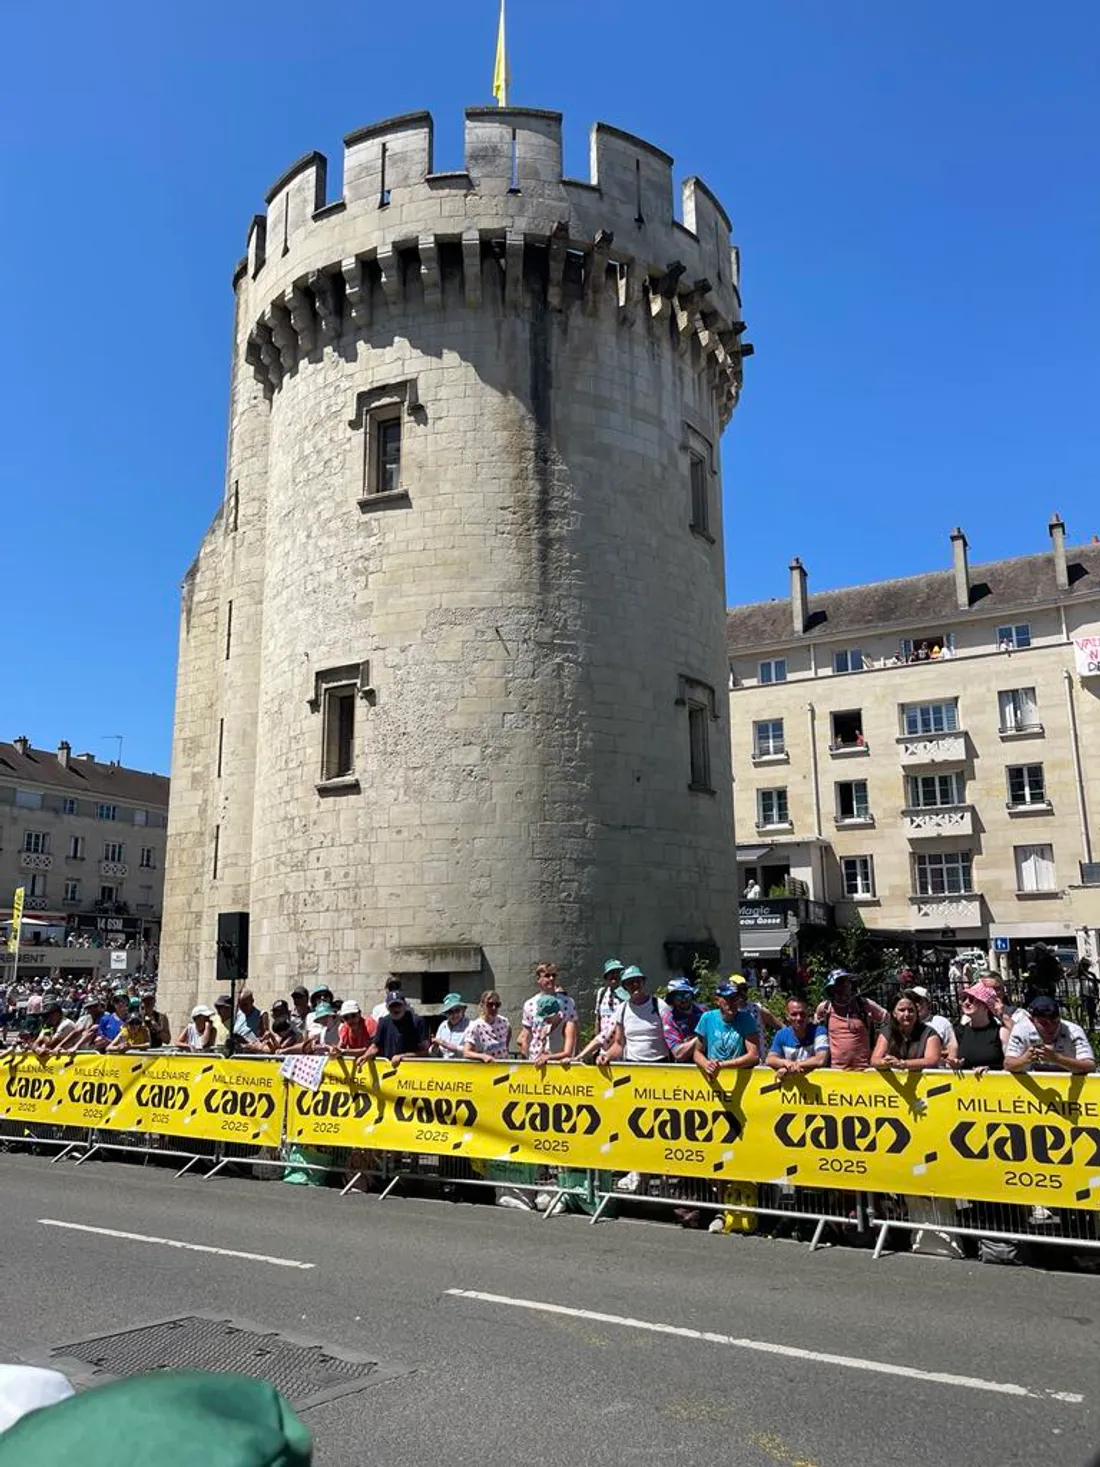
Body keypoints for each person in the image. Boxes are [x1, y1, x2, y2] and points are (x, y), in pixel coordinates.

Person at [815, 969, 887, 1071]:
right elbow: (818, 1035)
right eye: (839, 984)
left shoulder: (864, 1004)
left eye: (846, 983)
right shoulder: (825, 1008)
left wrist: (880, 1047)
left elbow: (889, 1021)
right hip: (836, 1072)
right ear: (831, 989)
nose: (843, 988)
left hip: (865, 1071)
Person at [1004, 995, 1096, 1074]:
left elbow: (1090, 1065)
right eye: (1043, 1023)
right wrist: (1023, 1060)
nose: (1051, 1027)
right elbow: (1008, 1064)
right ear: (1032, 1020)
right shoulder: (1021, 1030)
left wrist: (1057, 1058)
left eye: (1055, 1021)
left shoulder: (1073, 1031)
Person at [598, 966, 670, 1064]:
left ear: (643, 982)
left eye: (637, 981)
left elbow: (671, 1037)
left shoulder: (659, 1005)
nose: (634, 985)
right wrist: (606, 1056)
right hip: (633, 1065)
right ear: (625, 987)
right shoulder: (622, 1009)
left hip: (659, 1064)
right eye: (630, 983)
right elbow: (619, 1044)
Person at [692, 981, 760, 1077]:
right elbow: (697, 1052)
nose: (733, 1002)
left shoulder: (747, 1019)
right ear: (717, 1000)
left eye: (735, 998)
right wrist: (707, 1065)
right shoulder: (707, 1018)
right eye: (728, 998)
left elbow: (754, 1056)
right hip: (713, 1078)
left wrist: (722, 1065)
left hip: (739, 1075)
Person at [871, 990, 942, 1071]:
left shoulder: (929, 1033)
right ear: (894, 1013)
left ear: (916, 1012)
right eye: (902, 1010)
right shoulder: (887, 1031)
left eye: (911, 1010)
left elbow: (932, 1060)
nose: (907, 1014)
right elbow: (874, 1060)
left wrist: (904, 1064)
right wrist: (886, 1062)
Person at [945, 983, 1008, 1073]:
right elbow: (950, 1062)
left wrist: (991, 1070)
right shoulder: (959, 1031)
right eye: (964, 999)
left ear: (986, 1006)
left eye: (971, 999)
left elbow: (1010, 1064)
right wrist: (955, 1064)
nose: (966, 1002)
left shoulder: (1000, 1032)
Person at [518, 964, 577, 1060]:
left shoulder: (568, 1002)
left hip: (558, 1058)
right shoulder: (530, 1004)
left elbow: (574, 1031)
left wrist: (575, 1056)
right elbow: (525, 1036)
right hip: (536, 1058)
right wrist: (525, 1059)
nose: (551, 978)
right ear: (538, 979)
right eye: (547, 976)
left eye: (554, 975)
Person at [766, 997, 829, 1077]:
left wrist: (792, 1066)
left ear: (808, 1014)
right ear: (787, 1016)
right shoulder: (781, 1034)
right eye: (794, 1014)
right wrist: (786, 1063)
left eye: (802, 1014)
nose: (799, 1018)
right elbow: (770, 1059)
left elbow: (821, 1060)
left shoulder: (819, 1031)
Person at [577, 959, 625, 1062]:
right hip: (602, 1046)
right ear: (606, 976)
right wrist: (596, 1042)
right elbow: (598, 1018)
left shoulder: (625, 996)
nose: (614, 976)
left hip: (620, 1049)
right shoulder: (602, 993)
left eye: (617, 973)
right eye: (611, 973)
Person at [364, 991, 429, 1066]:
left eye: (398, 1005)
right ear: (387, 1008)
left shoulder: (418, 1022)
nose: (396, 1009)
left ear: (404, 1005)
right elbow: (375, 1047)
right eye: (392, 1006)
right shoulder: (383, 1022)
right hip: (389, 1069)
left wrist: (402, 1056)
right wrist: (364, 1056)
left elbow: (425, 1052)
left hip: (413, 1069)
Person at [660, 978, 704, 1061]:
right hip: (685, 1067)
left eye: (686, 994)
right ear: (672, 999)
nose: (683, 999)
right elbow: (679, 1054)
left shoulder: (704, 1012)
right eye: (678, 996)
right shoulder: (670, 1019)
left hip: (708, 1062)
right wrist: (701, 1037)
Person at [462, 991, 511, 1061]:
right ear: (482, 1005)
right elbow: (466, 1052)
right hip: (486, 1068)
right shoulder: (475, 1026)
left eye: (497, 1005)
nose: (494, 1008)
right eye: (490, 1004)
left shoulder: (504, 1022)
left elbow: (507, 1041)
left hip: (503, 1066)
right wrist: (482, 1056)